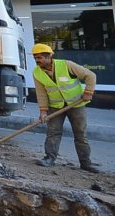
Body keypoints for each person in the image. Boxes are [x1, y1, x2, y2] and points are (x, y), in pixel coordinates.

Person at [31, 43, 99, 173]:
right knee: (53, 133)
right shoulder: (37, 72)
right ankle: (49, 158)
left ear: (49, 56)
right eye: (36, 58)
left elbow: (90, 76)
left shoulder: (66, 65)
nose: (37, 60)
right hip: (55, 107)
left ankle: (85, 163)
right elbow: (41, 93)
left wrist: (88, 92)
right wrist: (43, 111)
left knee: (80, 134)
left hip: (76, 105)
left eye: (39, 58)